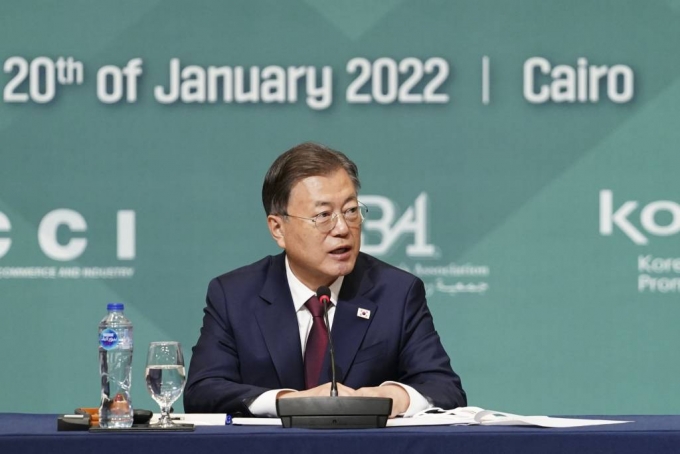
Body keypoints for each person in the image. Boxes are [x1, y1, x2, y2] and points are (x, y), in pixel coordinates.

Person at [184, 142, 466, 417]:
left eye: (351, 210)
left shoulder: (396, 292)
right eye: (323, 215)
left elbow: (445, 389)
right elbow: (202, 391)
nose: (342, 228)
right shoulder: (234, 295)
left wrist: (390, 397)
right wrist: (287, 401)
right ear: (278, 228)